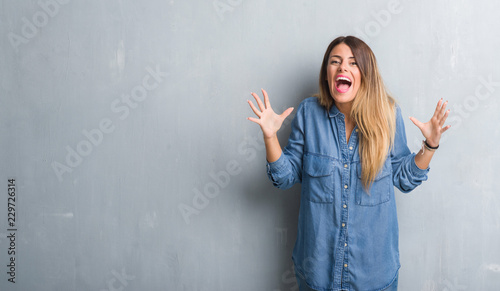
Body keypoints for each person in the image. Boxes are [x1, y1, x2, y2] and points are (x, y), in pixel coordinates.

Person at [246, 36, 450, 291]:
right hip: (317, 276)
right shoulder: (309, 113)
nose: (343, 67)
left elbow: (404, 178)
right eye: (335, 62)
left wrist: (430, 145)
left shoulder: (388, 115)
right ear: (327, 72)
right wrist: (270, 136)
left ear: (366, 73)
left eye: (353, 63)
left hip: (374, 276)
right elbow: (284, 177)